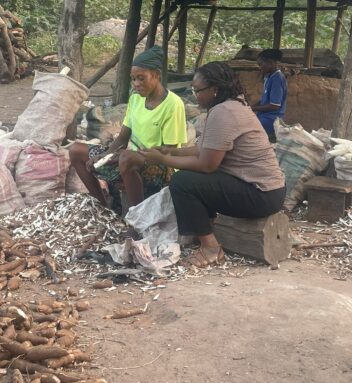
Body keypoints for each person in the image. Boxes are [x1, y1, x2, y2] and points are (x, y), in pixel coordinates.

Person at [139, 61, 285, 268]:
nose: (195, 95)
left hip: (261, 194)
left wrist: (162, 160)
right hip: (268, 191)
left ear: (215, 89)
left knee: (182, 182)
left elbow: (207, 165)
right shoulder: (231, 106)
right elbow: (203, 149)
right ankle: (203, 230)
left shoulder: (224, 112)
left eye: (198, 91)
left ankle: (211, 248)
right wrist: (170, 151)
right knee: (192, 179)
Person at [69, 46, 187, 211]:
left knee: (125, 157)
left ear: (156, 75)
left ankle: (138, 218)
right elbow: (123, 137)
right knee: (76, 149)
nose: (136, 84)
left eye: (141, 78)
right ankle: (103, 206)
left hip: (160, 167)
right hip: (131, 158)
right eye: (133, 79)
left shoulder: (173, 104)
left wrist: (125, 155)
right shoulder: (135, 99)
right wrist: (106, 154)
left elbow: (169, 151)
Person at [252, 48, 287, 141]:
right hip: (264, 117)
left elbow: (274, 106)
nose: (259, 67)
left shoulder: (277, 78)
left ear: (270, 62)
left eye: (261, 64)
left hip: (271, 120)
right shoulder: (269, 77)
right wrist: (250, 107)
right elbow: (264, 100)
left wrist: (252, 108)